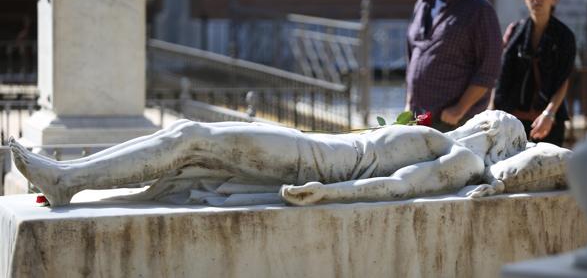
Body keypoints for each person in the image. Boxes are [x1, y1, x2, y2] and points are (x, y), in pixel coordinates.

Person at [10, 110, 527, 207]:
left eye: (493, 118)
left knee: (191, 139)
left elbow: (398, 188)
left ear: (496, 134)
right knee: (187, 140)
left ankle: (68, 179)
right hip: (311, 147)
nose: (484, 117)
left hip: (313, 163)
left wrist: (330, 193)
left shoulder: (462, 158)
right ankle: (70, 177)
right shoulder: (450, 141)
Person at [405, 0, 502, 132]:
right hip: (419, 119)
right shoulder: (423, 3)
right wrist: (409, 104)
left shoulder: (478, 10)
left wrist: (459, 109)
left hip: (454, 125)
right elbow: (413, 56)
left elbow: (489, 69)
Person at [492, 0, 576, 146]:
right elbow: (501, 76)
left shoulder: (564, 36)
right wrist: (492, 112)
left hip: (548, 120)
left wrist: (549, 114)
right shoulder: (515, 31)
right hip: (513, 119)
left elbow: (563, 80)